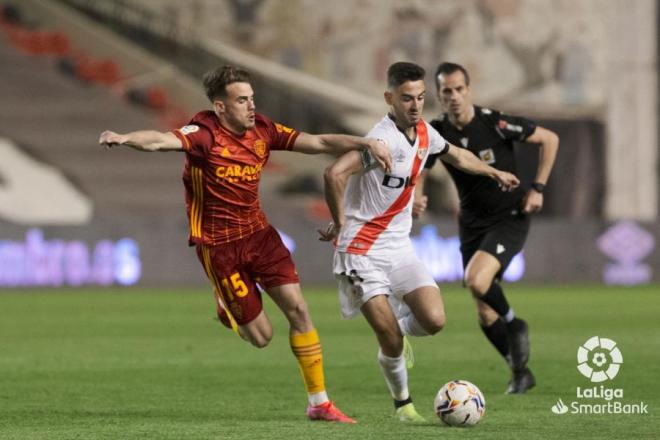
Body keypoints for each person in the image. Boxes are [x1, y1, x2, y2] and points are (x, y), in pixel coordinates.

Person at [98, 65, 394, 424]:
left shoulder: (263, 130)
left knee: (299, 311)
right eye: (242, 100)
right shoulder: (205, 134)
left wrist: (363, 141)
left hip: (260, 236)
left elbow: (317, 143)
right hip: (220, 248)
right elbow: (161, 140)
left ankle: (319, 403)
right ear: (221, 107)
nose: (251, 106)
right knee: (262, 337)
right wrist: (125, 136)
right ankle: (226, 303)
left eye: (252, 98)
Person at [319, 62, 519, 422]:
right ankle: (404, 406)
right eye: (407, 98)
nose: (415, 105)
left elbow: (458, 156)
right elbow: (333, 172)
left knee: (435, 319)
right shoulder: (380, 142)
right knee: (390, 339)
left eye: (421, 98)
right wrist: (339, 221)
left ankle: (397, 322)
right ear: (389, 98)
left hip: (398, 248)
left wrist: (494, 172)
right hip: (361, 253)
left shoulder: (426, 133)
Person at [414, 62, 559, 394]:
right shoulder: (437, 133)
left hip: (510, 216)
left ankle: (515, 323)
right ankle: (519, 371)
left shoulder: (495, 122)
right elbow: (422, 167)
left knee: (476, 280)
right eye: (446, 91)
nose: (453, 96)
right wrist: (417, 198)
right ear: (439, 95)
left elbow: (549, 139)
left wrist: (538, 188)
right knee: (482, 308)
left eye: (459, 89)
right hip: (472, 224)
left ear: (469, 90)